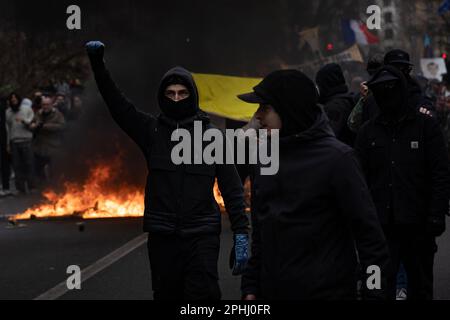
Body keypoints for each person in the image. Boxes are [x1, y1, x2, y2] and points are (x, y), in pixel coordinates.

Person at [85, 41, 249, 300]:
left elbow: (232, 188)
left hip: (202, 233)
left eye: (182, 93)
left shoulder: (212, 137)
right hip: (162, 235)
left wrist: (242, 233)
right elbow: (117, 105)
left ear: (192, 96)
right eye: (170, 93)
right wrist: (98, 65)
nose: (176, 98)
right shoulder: (152, 132)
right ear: (162, 96)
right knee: (166, 294)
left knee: (203, 296)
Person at [239, 70, 390, 300]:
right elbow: (261, 234)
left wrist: (374, 293)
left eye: (265, 108)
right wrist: (250, 287)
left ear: (288, 109)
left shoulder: (338, 160)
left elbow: (371, 240)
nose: (257, 116)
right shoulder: (264, 160)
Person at [355, 65, 450, 300]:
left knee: (420, 287)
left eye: (391, 89)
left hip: (419, 225)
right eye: (381, 90)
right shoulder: (368, 133)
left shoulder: (425, 126)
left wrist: (436, 215)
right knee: (376, 289)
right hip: (380, 229)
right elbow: (358, 179)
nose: (387, 95)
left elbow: (440, 172)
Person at [315, 63, 356, 145]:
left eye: (319, 84)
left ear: (325, 84)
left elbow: (330, 137)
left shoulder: (334, 107)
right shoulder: (349, 98)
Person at [30, 91, 66, 183]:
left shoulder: (57, 114)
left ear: (51, 104)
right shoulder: (38, 113)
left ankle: (55, 188)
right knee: (39, 171)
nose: (45, 106)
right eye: (43, 104)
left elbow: (61, 126)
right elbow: (32, 123)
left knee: (54, 171)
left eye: (47, 104)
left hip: (53, 147)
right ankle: (43, 189)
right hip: (39, 147)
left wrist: (45, 126)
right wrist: (33, 126)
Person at [5, 94, 35, 194]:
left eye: (15, 99)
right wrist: (8, 143)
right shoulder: (8, 112)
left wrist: (24, 121)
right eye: (11, 99)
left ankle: (32, 186)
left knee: (29, 164)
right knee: (17, 166)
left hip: (26, 140)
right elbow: (8, 129)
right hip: (14, 142)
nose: (13, 100)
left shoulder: (27, 109)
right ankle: (20, 188)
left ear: (18, 99)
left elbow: (32, 123)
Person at [0, 97, 12, 196]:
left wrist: (8, 143)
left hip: (4, 141)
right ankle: (4, 187)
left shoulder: (7, 113)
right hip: (4, 140)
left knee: (5, 165)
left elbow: (9, 128)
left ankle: (6, 187)